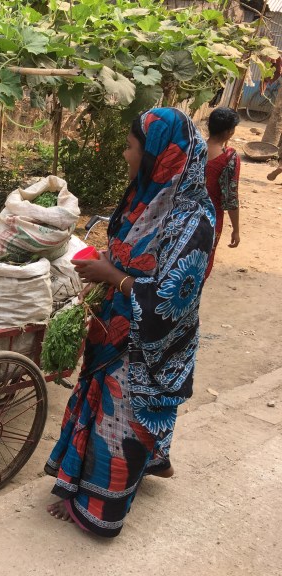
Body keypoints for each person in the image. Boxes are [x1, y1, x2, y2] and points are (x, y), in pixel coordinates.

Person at [44, 108, 215, 537]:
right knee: (110, 406)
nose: (124, 155)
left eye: (130, 147)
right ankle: (150, 462)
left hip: (146, 338)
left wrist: (113, 277)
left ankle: (100, 507)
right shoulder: (147, 197)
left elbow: (169, 302)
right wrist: (107, 262)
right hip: (115, 323)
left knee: (119, 420)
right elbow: (128, 249)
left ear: (160, 155)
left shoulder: (193, 219)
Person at [204, 107, 240, 279]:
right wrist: (236, 230)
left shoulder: (192, 148)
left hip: (181, 215)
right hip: (210, 220)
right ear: (229, 132)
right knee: (201, 265)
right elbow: (230, 198)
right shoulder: (229, 158)